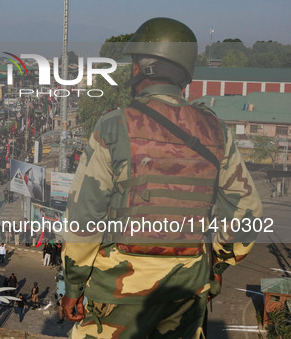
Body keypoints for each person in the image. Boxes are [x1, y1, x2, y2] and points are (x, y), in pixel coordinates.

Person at [61, 17, 263, 338]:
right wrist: (217, 266)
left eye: (134, 62)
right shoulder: (216, 131)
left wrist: (73, 284)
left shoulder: (114, 125)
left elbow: (85, 215)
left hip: (121, 287)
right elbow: (246, 214)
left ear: (146, 68)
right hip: (189, 287)